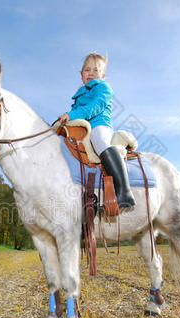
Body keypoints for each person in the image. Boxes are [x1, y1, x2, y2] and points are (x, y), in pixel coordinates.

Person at [59, 52, 135, 209]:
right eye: (87, 70)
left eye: (96, 70)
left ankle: (124, 192)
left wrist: (71, 115)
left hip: (99, 125)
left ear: (103, 75)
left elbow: (94, 107)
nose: (91, 73)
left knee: (99, 139)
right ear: (81, 75)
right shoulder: (79, 95)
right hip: (83, 129)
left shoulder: (103, 88)